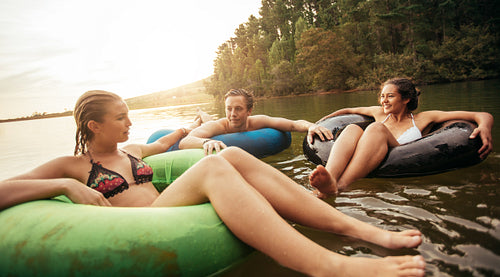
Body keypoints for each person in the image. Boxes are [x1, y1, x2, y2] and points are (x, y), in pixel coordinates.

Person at [0, 90, 426, 277]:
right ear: (94, 125)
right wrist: (65, 187)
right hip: (142, 228)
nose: (131, 123)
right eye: (122, 118)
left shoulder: (135, 153)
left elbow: (170, 142)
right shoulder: (72, 166)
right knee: (217, 167)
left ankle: (358, 228)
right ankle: (328, 266)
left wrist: (196, 131)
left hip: (167, 211)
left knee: (230, 155)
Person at [309, 78, 494, 198]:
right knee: (351, 128)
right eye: (382, 96)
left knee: (375, 129)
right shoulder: (379, 113)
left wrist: (484, 127)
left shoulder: (424, 118)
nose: (384, 101)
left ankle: (340, 186)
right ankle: (330, 178)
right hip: (369, 152)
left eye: (390, 96)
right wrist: (320, 123)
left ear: (405, 99)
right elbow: (348, 111)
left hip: (402, 155)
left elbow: (481, 115)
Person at [179, 88, 334, 154]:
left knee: (208, 119)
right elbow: (185, 141)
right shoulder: (219, 126)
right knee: (207, 120)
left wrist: (311, 126)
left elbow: (293, 124)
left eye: (238, 109)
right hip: (210, 125)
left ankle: (201, 113)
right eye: (229, 108)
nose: (232, 114)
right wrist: (205, 142)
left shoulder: (258, 121)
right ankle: (200, 113)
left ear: (249, 111)